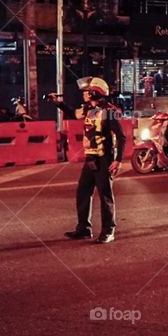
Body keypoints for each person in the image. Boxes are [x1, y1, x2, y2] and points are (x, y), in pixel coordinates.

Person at [46, 77, 125, 244]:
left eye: (86, 92)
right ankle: (83, 229)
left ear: (95, 93)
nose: (84, 95)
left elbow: (121, 136)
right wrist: (57, 103)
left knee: (105, 196)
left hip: (104, 158)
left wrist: (118, 160)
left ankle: (108, 230)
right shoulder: (88, 109)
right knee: (83, 192)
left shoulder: (108, 111)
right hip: (90, 157)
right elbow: (72, 113)